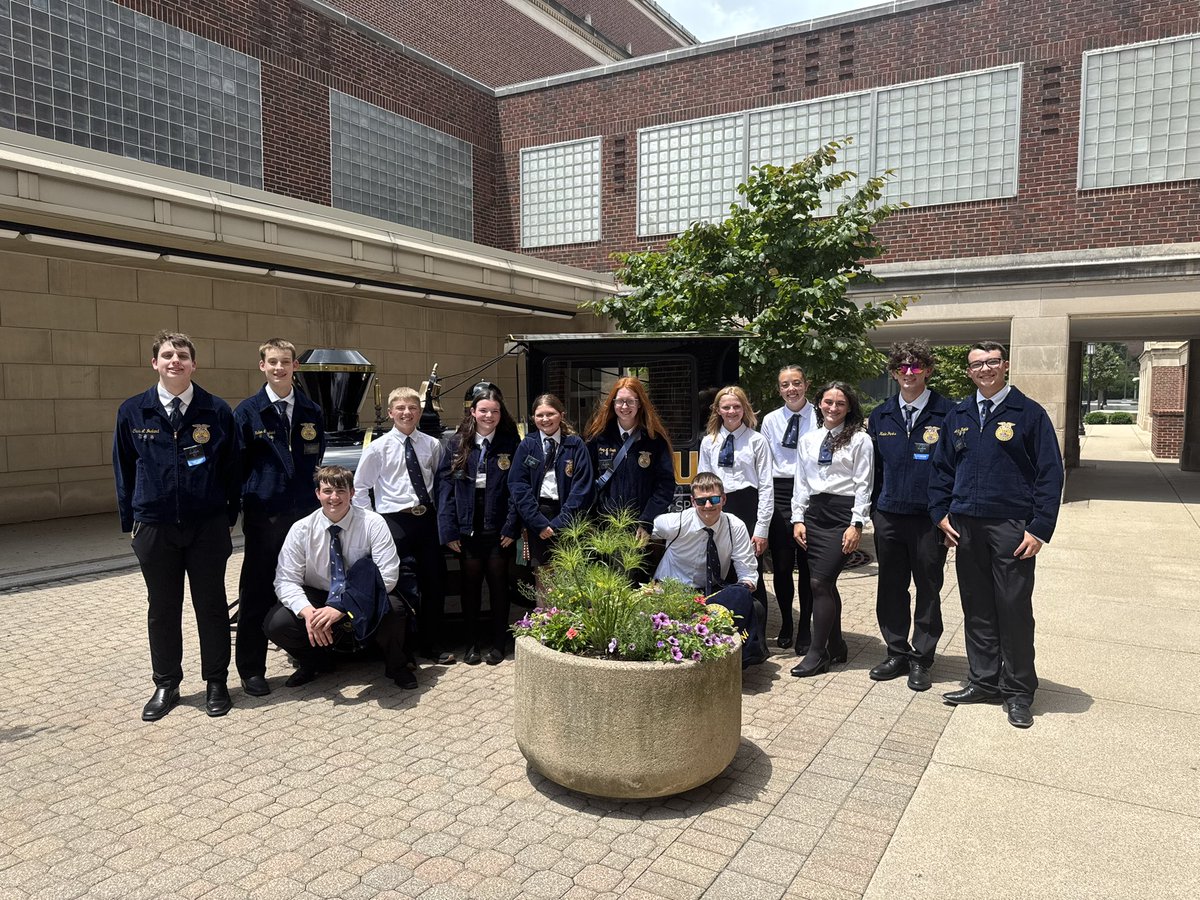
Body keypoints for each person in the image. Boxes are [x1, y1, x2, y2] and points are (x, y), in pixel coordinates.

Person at [929, 341, 1064, 729]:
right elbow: (941, 471)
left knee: (1014, 608)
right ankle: (984, 680)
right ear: (968, 371)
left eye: (991, 362)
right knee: (977, 607)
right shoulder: (959, 414)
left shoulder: (1029, 414)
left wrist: (1039, 528)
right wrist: (939, 514)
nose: (985, 369)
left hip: (1011, 528)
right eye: (977, 364)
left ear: (1004, 365)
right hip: (966, 527)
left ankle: (1019, 690)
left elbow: (1050, 475)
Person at [113, 330, 240, 721]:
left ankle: (216, 681)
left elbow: (232, 468)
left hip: (206, 526)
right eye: (167, 355)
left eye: (182, 355)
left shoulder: (215, 410)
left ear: (193, 364)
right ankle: (166, 683)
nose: (175, 361)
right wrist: (132, 521)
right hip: (155, 526)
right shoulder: (133, 411)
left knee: (212, 606)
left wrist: (225, 516)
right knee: (162, 609)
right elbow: (123, 469)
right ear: (155, 363)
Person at [265, 465, 415, 689]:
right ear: (317, 494)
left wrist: (343, 607)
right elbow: (286, 580)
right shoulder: (301, 529)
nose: (334, 498)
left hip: (361, 592)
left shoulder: (373, 523)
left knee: (393, 610)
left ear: (352, 493)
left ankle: (396, 665)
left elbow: (388, 577)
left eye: (341, 491)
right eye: (327, 491)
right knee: (277, 623)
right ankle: (314, 662)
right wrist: (308, 613)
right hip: (319, 593)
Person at [233, 338, 326, 697]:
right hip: (265, 517)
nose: (279, 368)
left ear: (294, 366)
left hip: (303, 514)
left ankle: (308, 656)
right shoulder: (247, 412)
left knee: (306, 587)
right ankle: (251, 670)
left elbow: (317, 457)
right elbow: (237, 467)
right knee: (256, 591)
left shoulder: (311, 411)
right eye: (272, 362)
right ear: (262, 366)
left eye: (285, 362)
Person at [866, 341, 955, 692]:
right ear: (893, 372)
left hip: (929, 519)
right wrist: (874, 509)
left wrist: (949, 516)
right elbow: (871, 469)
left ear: (928, 370)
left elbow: (955, 469)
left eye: (915, 366)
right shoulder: (881, 415)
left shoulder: (948, 413)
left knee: (929, 588)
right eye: (901, 367)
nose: (908, 373)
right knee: (890, 586)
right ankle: (896, 651)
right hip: (888, 516)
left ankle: (922, 658)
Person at [353, 387, 452, 665]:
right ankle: (403, 649)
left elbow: (440, 485)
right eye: (400, 408)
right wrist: (373, 524)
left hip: (427, 520)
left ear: (419, 412)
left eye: (412, 408)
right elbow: (360, 489)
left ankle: (431, 645)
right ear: (390, 413)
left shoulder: (432, 445)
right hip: (395, 522)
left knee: (434, 582)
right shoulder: (377, 448)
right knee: (402, 585)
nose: (407, 413)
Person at [790, 382, 873, 678]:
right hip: (814, 514)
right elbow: (801, 480)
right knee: (824, 583)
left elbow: (864, 484)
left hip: (842, 515)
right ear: (819, 403)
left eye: (840, 403)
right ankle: (837, 645)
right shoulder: (809, 439)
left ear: (849, 407)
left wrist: (857, 523)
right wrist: (797, 517)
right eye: (828, 402)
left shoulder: (860, 440)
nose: (833, 408)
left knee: (820, 583)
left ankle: (818, 652)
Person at [436, 385, 520, 666]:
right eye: (483, 410)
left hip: (497, 526)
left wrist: (511, 527)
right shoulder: (456, 442)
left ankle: (498, 643)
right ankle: (471, 644)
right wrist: (448, 530)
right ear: (473, 411)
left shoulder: (511, 441)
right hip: (466, 526)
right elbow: (445, 488)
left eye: (494, 411)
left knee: (498, 585)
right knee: (470, 587)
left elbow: (517, 489)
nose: (489, 415)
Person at [650, 472, 768, 668]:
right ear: (692, 501)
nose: (708, 506)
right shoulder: (676, 523)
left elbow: (747, 572)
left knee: (750, 603)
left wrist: (742, 591)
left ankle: (741, 660)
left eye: (714, 499)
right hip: (673, 592)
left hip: (711, 592)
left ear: (723, 499)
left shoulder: (734, 525)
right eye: (701, 501)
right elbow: (651, 525)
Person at [696, 386, 771, 653]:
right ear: (717, 410)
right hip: (717, 509)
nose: (731, 412)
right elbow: (702, 483)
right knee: (720, 571)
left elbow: (766, 486)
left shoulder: (756, 441)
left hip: (747, 508)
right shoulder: (709, 441)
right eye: (726, 407)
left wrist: (761, 528)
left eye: (736, 407)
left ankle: (757, 643)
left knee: (751, 574)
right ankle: (721, 637)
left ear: (744, 409)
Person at [760, 365, 819, 651]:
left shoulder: (820, 415)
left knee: (808, 566)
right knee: (782, 566)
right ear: (779, 389)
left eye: (796, 383)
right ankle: (786, 621)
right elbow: (766, 461)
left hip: (810, 489)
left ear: (806, 384)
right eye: (785, 385)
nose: (791, 389)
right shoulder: (771, 420)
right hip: (781, 491)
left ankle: (806, 627)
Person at [508, 393, 594, 573]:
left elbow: (582, 487)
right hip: (538, 516)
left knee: (569, 575)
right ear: (533, 418)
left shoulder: (575, 445)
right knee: (544, 577)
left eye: (550, 414)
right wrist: (538, 522)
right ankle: (543, 604)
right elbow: (518, 486)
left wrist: (559, 523)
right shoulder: (527, 445)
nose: (545, 419)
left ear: (561, 415)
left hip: (567, 517)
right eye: (540, 415)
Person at [583, 376, 676, 536]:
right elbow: (585, 480)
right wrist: (591, 519)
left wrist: (647, 521)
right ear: (613, 404)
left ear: (639, 404)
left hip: (640, 529)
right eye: (619, 401)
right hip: (604, 528)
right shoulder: (598, 438)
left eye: (630, 401)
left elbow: (665, 486)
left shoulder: (654, 440)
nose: (624, 406)